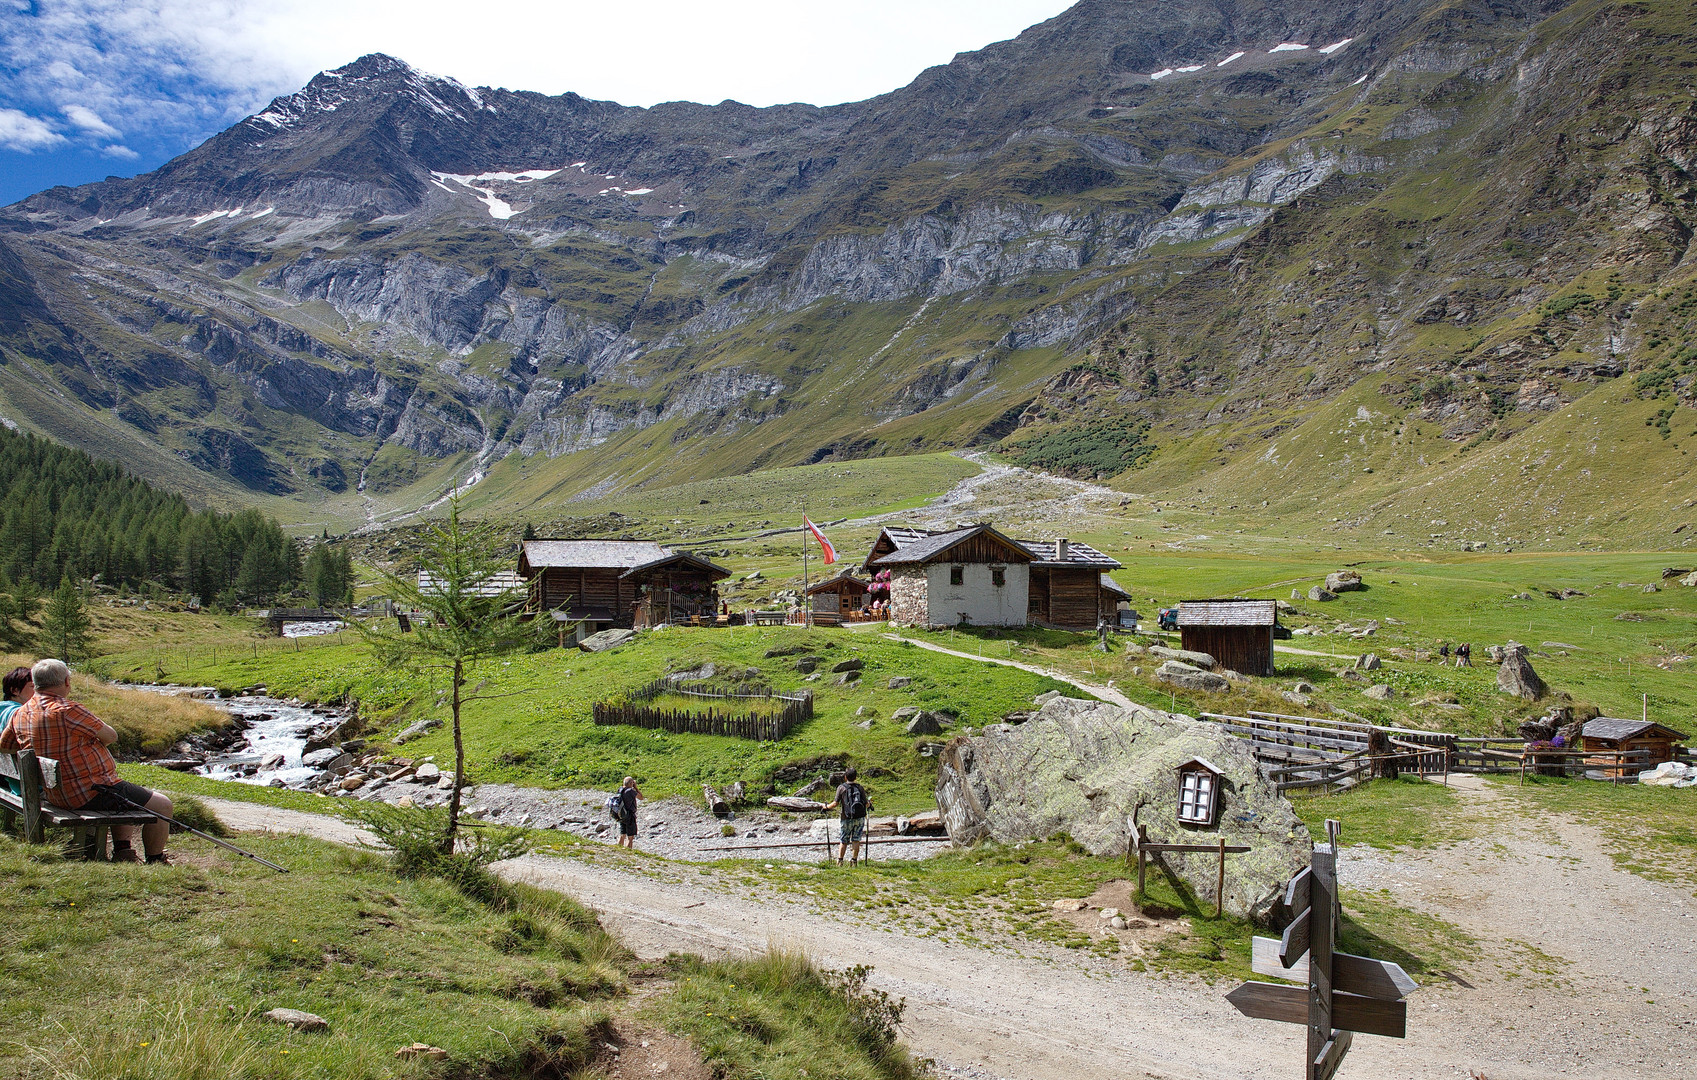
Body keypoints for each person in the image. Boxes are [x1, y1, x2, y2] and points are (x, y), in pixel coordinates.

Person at [0, 659, 174, 863]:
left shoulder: (21, 712)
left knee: (122, 790)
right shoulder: (68, 710)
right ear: (66, 681)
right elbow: (110, 736)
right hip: (87, 792)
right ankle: (155, 859)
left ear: (36, 683)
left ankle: (123, 850)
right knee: (162, 805)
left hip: (55, 793)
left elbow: (4, 745)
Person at [823, 767, 871, 867]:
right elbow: (866, 804)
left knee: (844, 840)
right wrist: (870, 804)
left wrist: (826, 807)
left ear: (845, 777)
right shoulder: (860, 787)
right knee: (856, 839)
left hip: (846, 818)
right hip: (859, 818)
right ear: (855, 777)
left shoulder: (841, 788)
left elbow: (835, 803)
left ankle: (840, 861)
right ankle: (854, 861)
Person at [0, 666, 31, 795]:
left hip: (6, 777)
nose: (39, 692)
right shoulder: (19, 714)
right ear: (15, 690)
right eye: (33, 687)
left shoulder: (2, 709)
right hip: (24, 785)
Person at [616, 775, 643, 848]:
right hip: (630, 815)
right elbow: (641, 797)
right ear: (631, 783)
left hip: (621, 814)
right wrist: (636, 788)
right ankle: (628, 852)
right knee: (630, 837)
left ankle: (618, 849)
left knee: (622, 834)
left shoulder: (620, 789)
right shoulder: (630, 791)